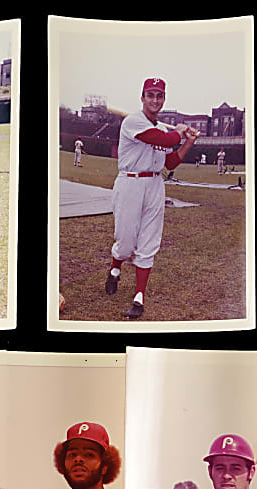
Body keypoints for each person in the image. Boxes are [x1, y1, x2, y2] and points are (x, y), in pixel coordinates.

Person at [105, 78, 199, 319]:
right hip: (130, 182)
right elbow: (164, 141)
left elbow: (169, 162)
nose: (155, 100)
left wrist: (187, 142)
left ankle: (139, 297)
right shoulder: (134, 121)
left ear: (164, 99)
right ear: (143, 98)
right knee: (126, 243)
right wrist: (178, 132)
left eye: (159, 95)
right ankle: (115, 269)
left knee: (148, 242)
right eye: (151, 95)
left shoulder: (162, 129)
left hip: (155, 184)